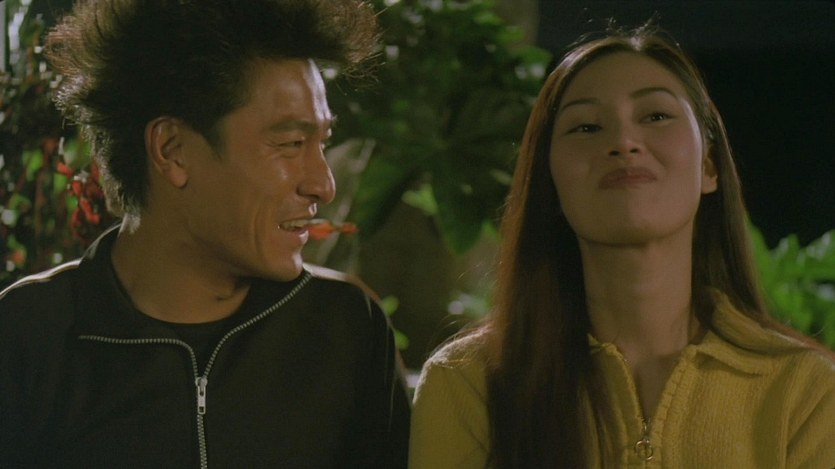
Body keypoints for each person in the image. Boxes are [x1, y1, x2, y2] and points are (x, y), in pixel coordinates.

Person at [0, 1, 411, 467]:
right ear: (172, 150)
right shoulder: (28, 338)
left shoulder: (347, 331)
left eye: (323, 142)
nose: (323, 184)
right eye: (291, 143)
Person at [408, 24, 835, 468]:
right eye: (586, 126)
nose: (623, 143)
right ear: (550, 184)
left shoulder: (803, 390)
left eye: (656, 116)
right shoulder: (470, 383)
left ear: (709, 166)